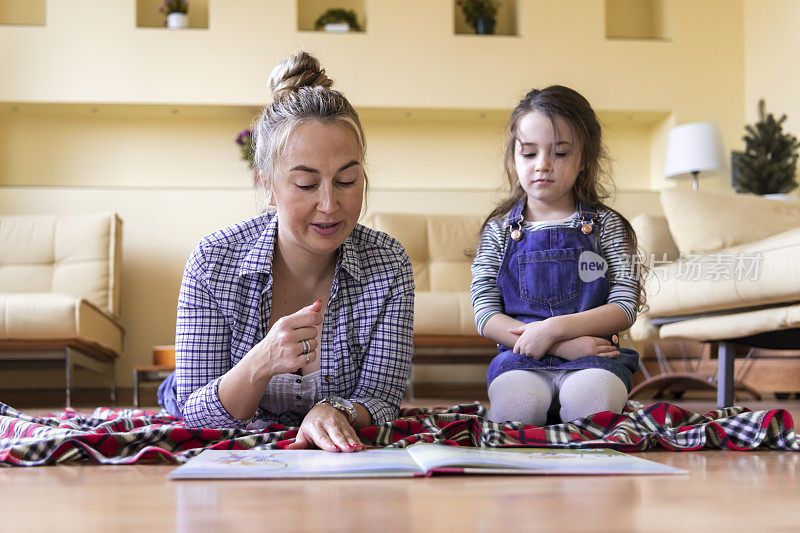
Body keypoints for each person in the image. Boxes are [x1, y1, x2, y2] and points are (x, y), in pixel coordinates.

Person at [167, 51, 414, 452]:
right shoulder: (213, 262)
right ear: (266, 184)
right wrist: (262, 360)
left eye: (347, 180)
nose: (330, 205)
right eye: (305, 184)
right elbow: (194, 412)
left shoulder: (388, 264)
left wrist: (335, 411)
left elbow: (382, 399)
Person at [470, 85, 644, 426]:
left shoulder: (606, 226)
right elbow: (485, 315)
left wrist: (556, 328)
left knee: (592, 411)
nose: (543, 165)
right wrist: (556, 345)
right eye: (529, 153)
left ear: (585, 160)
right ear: (514, 157)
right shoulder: (498, 231)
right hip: (521, 359)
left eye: (560, 153)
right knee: (516, 413)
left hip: (594, 357)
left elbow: (625, 305)